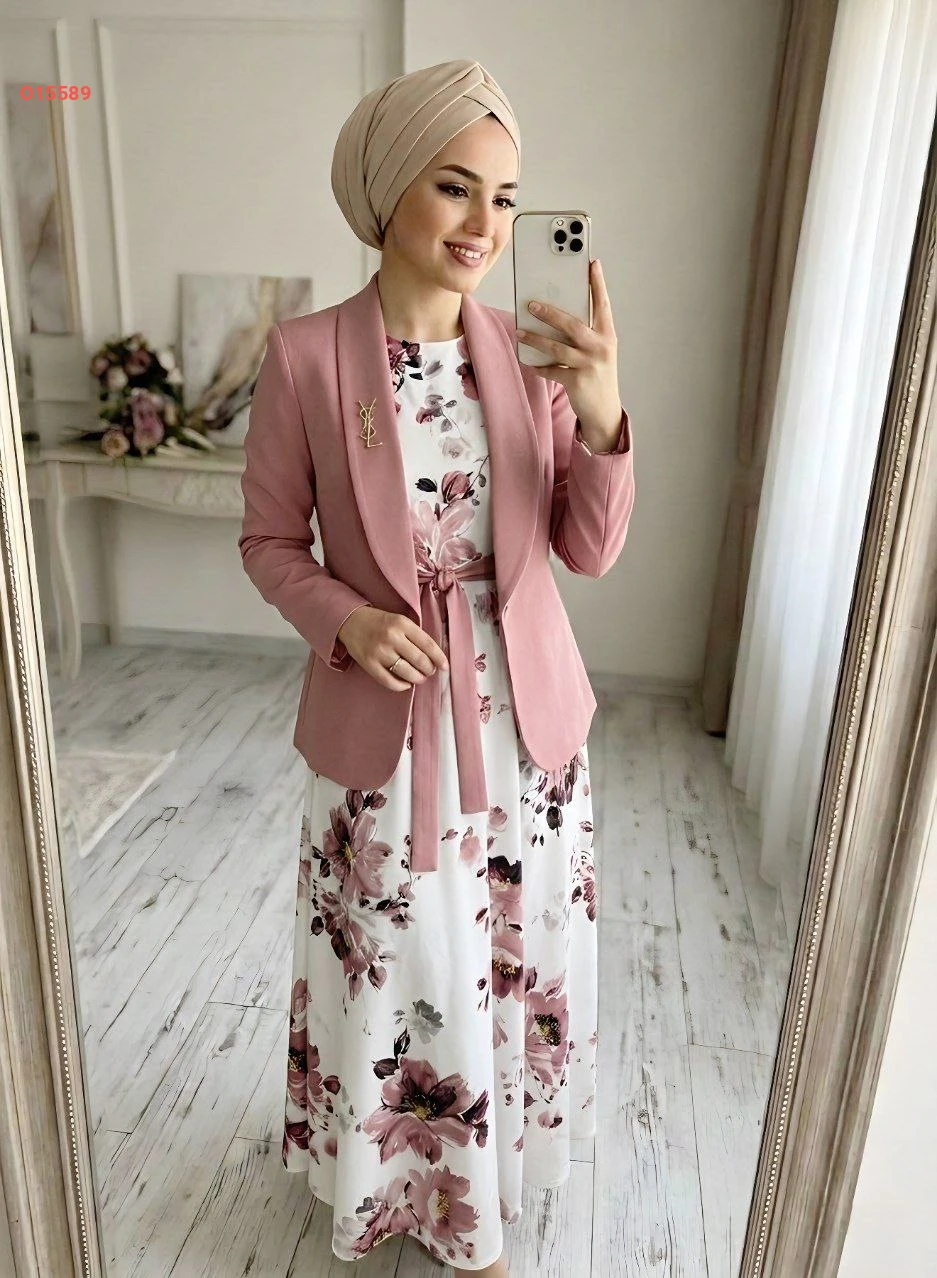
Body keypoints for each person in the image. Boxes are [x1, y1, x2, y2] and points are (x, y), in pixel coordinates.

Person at [238, 57, 635, 1276]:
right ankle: (411, 1197)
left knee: (504, 944)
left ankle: (486, 1187)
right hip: (387, 713)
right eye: (455, 187)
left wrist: (602, 415)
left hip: (524, 722)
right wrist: (346, 622)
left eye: (504, 198)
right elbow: (268, 543)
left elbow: (586, 549)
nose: (484, 224)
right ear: (386, 191)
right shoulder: (306, 357)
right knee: (407, 949)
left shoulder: (526, 355)